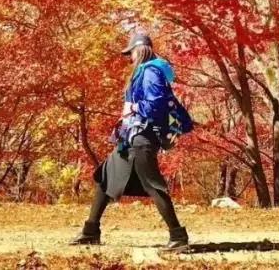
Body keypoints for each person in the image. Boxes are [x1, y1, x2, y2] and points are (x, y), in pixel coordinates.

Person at [70, 32, 191, 251]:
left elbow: (156, 105)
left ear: (140, 50)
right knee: (105, 176)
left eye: (131, 52)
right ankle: (90, 231)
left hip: (142, 137)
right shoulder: (145, 70)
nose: (130, 57)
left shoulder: (151, 71)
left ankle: (178, 236)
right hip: (131, 138)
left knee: (153, 185)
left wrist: (133, 107)